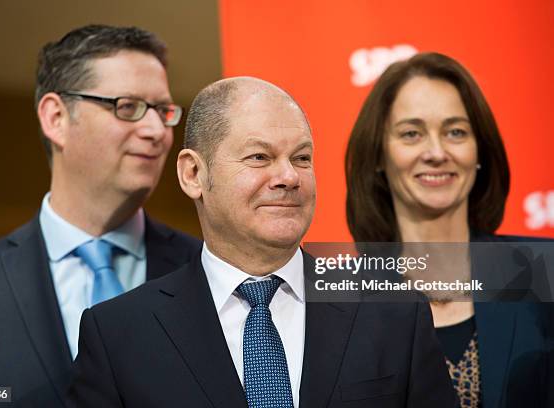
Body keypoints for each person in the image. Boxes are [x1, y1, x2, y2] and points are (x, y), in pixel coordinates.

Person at [66, 76, 457, 408]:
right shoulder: (119, 334)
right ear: (193, 174)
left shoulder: (394, 312)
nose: (289, 176)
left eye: (302, 158)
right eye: (259, 157)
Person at [0, 24, 200, 406]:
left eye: (163, 111)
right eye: (127, 107)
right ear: (56, 118)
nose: (156, 131)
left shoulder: (206, 271)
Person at [345, 52, 553, 407]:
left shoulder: (543, 271)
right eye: (411, 134)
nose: (437, 152)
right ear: (379, 155)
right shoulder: (340, 302)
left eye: (455, 131)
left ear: (479, 151)